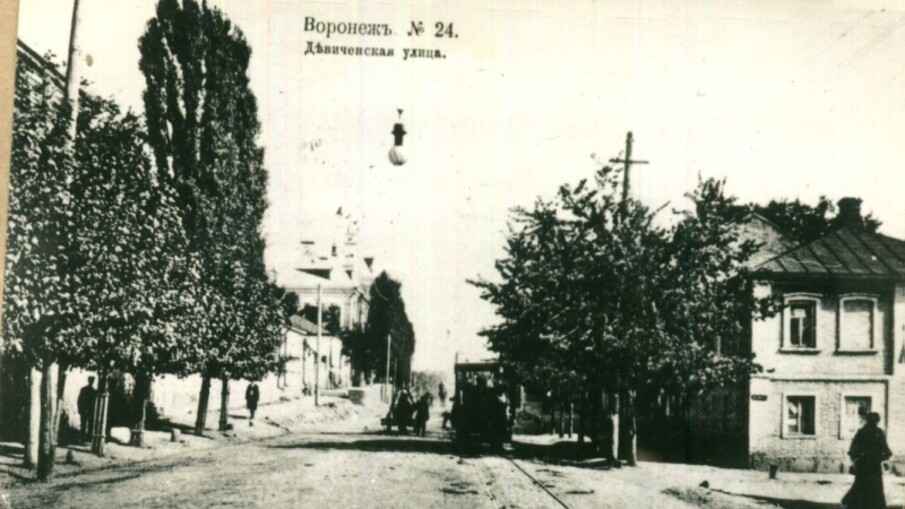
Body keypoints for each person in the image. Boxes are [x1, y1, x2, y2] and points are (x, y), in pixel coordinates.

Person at [842, 412, 892, 509]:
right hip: (874, 466)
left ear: (867, 420)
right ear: (877, 421)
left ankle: (853, 504)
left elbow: (853, 451)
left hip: (862, 465)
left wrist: (854, 461)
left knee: (860, 485)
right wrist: (882, 458)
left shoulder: (861, 432)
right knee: (874, 488)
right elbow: (886, 451)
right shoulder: (878, 433)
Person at [77, 377, 97, 442]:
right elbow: (80, 400)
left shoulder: (93, 391)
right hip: (86, 409)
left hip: (89, 410)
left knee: (89, 424)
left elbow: (94, 402)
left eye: (92, 381)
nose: (91, 382)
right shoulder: (85, 390)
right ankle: (83, 438)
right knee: (84, 424)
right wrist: (80, 409)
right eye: (91, 381)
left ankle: (87, 438)